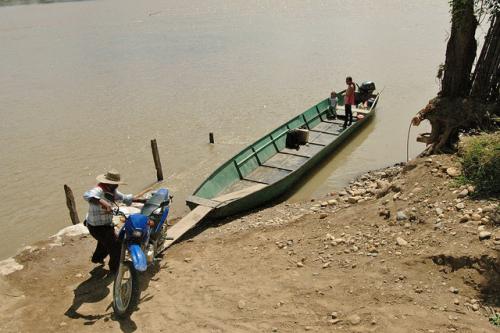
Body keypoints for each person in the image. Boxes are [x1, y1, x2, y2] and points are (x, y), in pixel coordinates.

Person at [83, 169, 145, 274]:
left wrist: (142, 200)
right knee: (116, 246)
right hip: (96, 226)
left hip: (106, 224)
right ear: (108, 183)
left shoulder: (112, 191)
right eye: (115, 184)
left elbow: (124, 198)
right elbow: (87, 195)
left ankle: (97, 258)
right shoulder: (98, 190)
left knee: (104, 242)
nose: (117, 186)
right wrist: (103, 202)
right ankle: (115, 269)